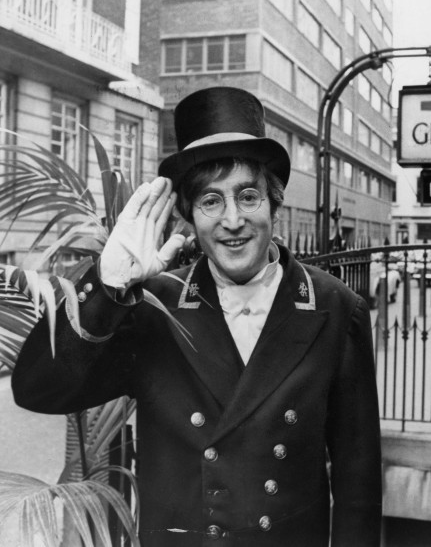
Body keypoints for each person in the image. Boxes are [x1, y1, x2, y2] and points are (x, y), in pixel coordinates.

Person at [12, 87, 382, 546]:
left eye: (248, 196)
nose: (232, 220)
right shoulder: (154, 307)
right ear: (189, 215)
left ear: (274, 204)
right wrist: (106, 286)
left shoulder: (337, 309)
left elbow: (357, 486)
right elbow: (37, 390)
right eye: (210, 201)